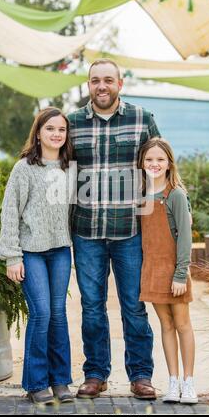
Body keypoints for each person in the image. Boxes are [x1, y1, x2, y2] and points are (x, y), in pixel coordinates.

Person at [68, 59, 160, 399]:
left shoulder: (142, 119)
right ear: (88, 85)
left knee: (134, 305)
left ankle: (140, 375)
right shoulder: (73, 122)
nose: (101, 86)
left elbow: (160, 167)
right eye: (95, 81)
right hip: (86, 230)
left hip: (129, 232)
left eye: (108, 80)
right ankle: (95, 373)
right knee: (92, 306)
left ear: (120, 83)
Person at [0, 107, 76, 405]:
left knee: (58, 315)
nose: (57, 134)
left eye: (61, 129)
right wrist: (12, 256)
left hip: (60, 252)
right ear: (39, 133)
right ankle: (36, 383)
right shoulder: (24, 168)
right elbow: (10, 212)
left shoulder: (70, 167)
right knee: (41, 313)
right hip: (30, 252)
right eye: (50, 128)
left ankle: (60, 381)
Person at [137, 137, 198, 404]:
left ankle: (189, 382)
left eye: (160, 159)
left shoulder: (175, 195)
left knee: (183, 325)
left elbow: (184, 238)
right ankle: (172, 382)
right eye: (149, 159)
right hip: (153, 271)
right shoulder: (142, 195)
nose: (154, 164)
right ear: (142, 163)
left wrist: (180, 274)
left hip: (175, 272)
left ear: (169, 163)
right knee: (165, 325)